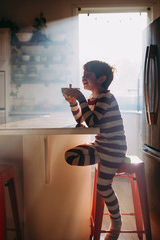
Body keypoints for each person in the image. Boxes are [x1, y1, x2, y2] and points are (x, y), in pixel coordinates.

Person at [63, 60, 127, 240]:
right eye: (83, 74)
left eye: (87, 74)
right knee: (71, 156)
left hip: (114, 148)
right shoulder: (93, 99)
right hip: (100, 146)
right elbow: (81, 120)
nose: (83, 77)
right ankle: (100, 164)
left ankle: (117, 222)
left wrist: (81, 99)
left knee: (103, 186)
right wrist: (73, 102)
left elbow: (92, 122)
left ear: (101, 78)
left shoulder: (107, 97)